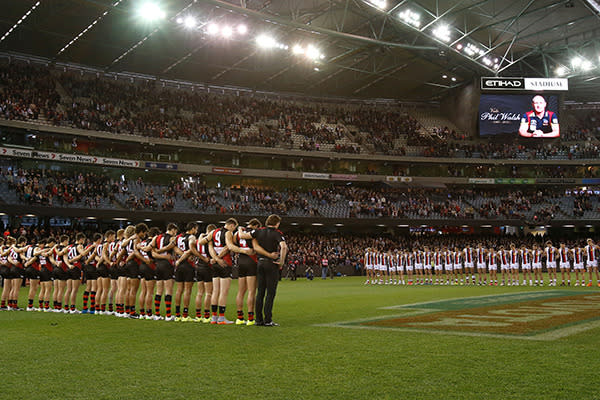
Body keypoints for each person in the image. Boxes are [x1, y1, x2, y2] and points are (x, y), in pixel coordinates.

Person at [250, 214, 287, 327]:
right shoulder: (277, 233)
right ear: (277, 224)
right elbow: (284, 247)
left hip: (260, 262)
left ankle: (258, 319)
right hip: (271, 264)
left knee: (260, 292)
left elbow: (246, 235)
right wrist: (281, 261)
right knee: (270, 293)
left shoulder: (259, 231)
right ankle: (268, 320)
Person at [228, 218, 261, 325]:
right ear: (256, 226)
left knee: (241, 291)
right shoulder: (253, 233)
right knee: (251, 291)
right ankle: (250, 318)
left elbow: (233, 243)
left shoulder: (238, 233)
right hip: (251, 261)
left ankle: (239, 317)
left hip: (241, 261)